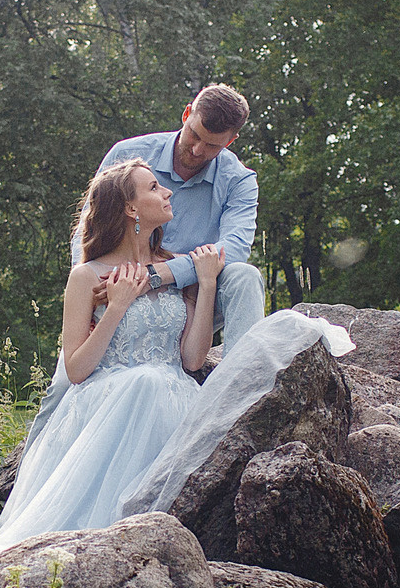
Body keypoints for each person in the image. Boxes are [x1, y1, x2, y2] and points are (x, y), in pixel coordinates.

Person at [0, 160, 224, 561]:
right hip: (110, 400)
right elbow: (76, 368)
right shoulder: (87, 276)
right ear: (130, 209)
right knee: (145, 384)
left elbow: (192, 359)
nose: (168, 192)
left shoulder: (175, 267)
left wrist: (206, 282)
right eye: (155, 188)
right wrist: (117, 306)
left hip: (174, 394)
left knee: (158, 384)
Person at [14, 83, 265, 460]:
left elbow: (232, 251)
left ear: (231, 141)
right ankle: (23, 482)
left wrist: (158, 276)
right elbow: (89, 229)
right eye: (194, 135)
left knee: (245, 276)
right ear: (186, 115)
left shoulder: (239, 181)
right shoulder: (129, 154)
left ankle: (243, 397)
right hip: (112, 290)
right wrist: (92, 298)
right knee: (64, 387)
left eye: (212, 145)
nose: (197, 150)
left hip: (190, 294)